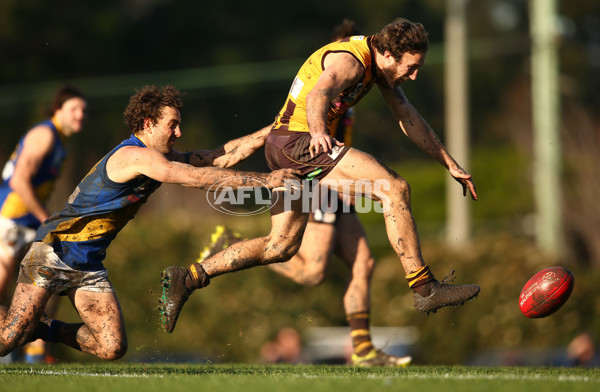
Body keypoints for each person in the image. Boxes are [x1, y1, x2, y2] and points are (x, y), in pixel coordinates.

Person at [159, 19, 481, 364]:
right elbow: (319, 93)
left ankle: (189, 277)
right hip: (299, 145)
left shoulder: (379, 70)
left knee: (279, 248)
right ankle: (424, 288)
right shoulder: (353, 60)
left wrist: (448, 162)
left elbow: (408, 116)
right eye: (412, 67)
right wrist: (317, 131)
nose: (414, 76)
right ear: (388, 53)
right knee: (394, 188)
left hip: (288, 147)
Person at [0, 85, 300, 360]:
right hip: (54, 253)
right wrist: (267, 180)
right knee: (10, 337)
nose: (179, 132)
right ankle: (25, 327)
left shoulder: (157, 157)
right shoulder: (134, 156)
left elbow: (216, 158)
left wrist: (271, 131)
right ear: (148, 124)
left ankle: (39, 328)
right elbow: (194, 178)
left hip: (88, 264)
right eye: (172, 124)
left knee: (111, 347)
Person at [196, 20, 412, 367]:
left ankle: (363, 349)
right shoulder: (327, 86)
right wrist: (223, 154)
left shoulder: (357, 88)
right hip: (321, 181)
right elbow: (282, 130)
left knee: (364, 262)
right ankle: (231, 243)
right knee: (311, 272)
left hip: (337, 185)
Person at [0, 84, 87, 363]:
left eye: (84, 111)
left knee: (54, 273)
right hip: (11, 216)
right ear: (57, 109)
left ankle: (35, 349)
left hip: (27, 219)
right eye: (74, 109)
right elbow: (18, 182)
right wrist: (45, 218)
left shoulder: (62, 140)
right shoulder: (45, 134)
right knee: (2, 283)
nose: (80, 116)